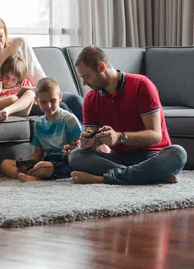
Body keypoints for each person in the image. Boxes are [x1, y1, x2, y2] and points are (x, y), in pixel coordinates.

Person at [68, 46, 187, 185]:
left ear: (101, 67)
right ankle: (146, 175)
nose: (84, 83)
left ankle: (104, 178)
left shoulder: (141, 85)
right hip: (118, 158)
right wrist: (87, 143)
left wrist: (120, 137)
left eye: (86, 76)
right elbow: (91, 145)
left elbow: (155, 136)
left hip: (152, 155)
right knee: (75, 156)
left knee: (178, 154)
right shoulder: (90, 98)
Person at [0, 12, 84, 121]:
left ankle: (96, 132)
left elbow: (38, 75)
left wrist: (45, 92)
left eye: (0, 36)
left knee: (74, 99)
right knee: (62, 106)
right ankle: (83, 138)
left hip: (36, 92)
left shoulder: (18, 44)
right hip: (20, 102)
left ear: (5, 31)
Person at [0, 77, 82, 182]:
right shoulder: (39, 123)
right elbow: (37, 153)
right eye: (44, 102)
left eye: (53, 101)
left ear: (60, 97)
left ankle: (32, 177)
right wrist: (29, 164)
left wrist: (71, 148)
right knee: (5, 163)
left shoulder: (69, 119)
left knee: (42, 167)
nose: (49, 106)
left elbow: (78, 150)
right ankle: (28, 174)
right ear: (36, 101)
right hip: (46, 161)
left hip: (65, 163)